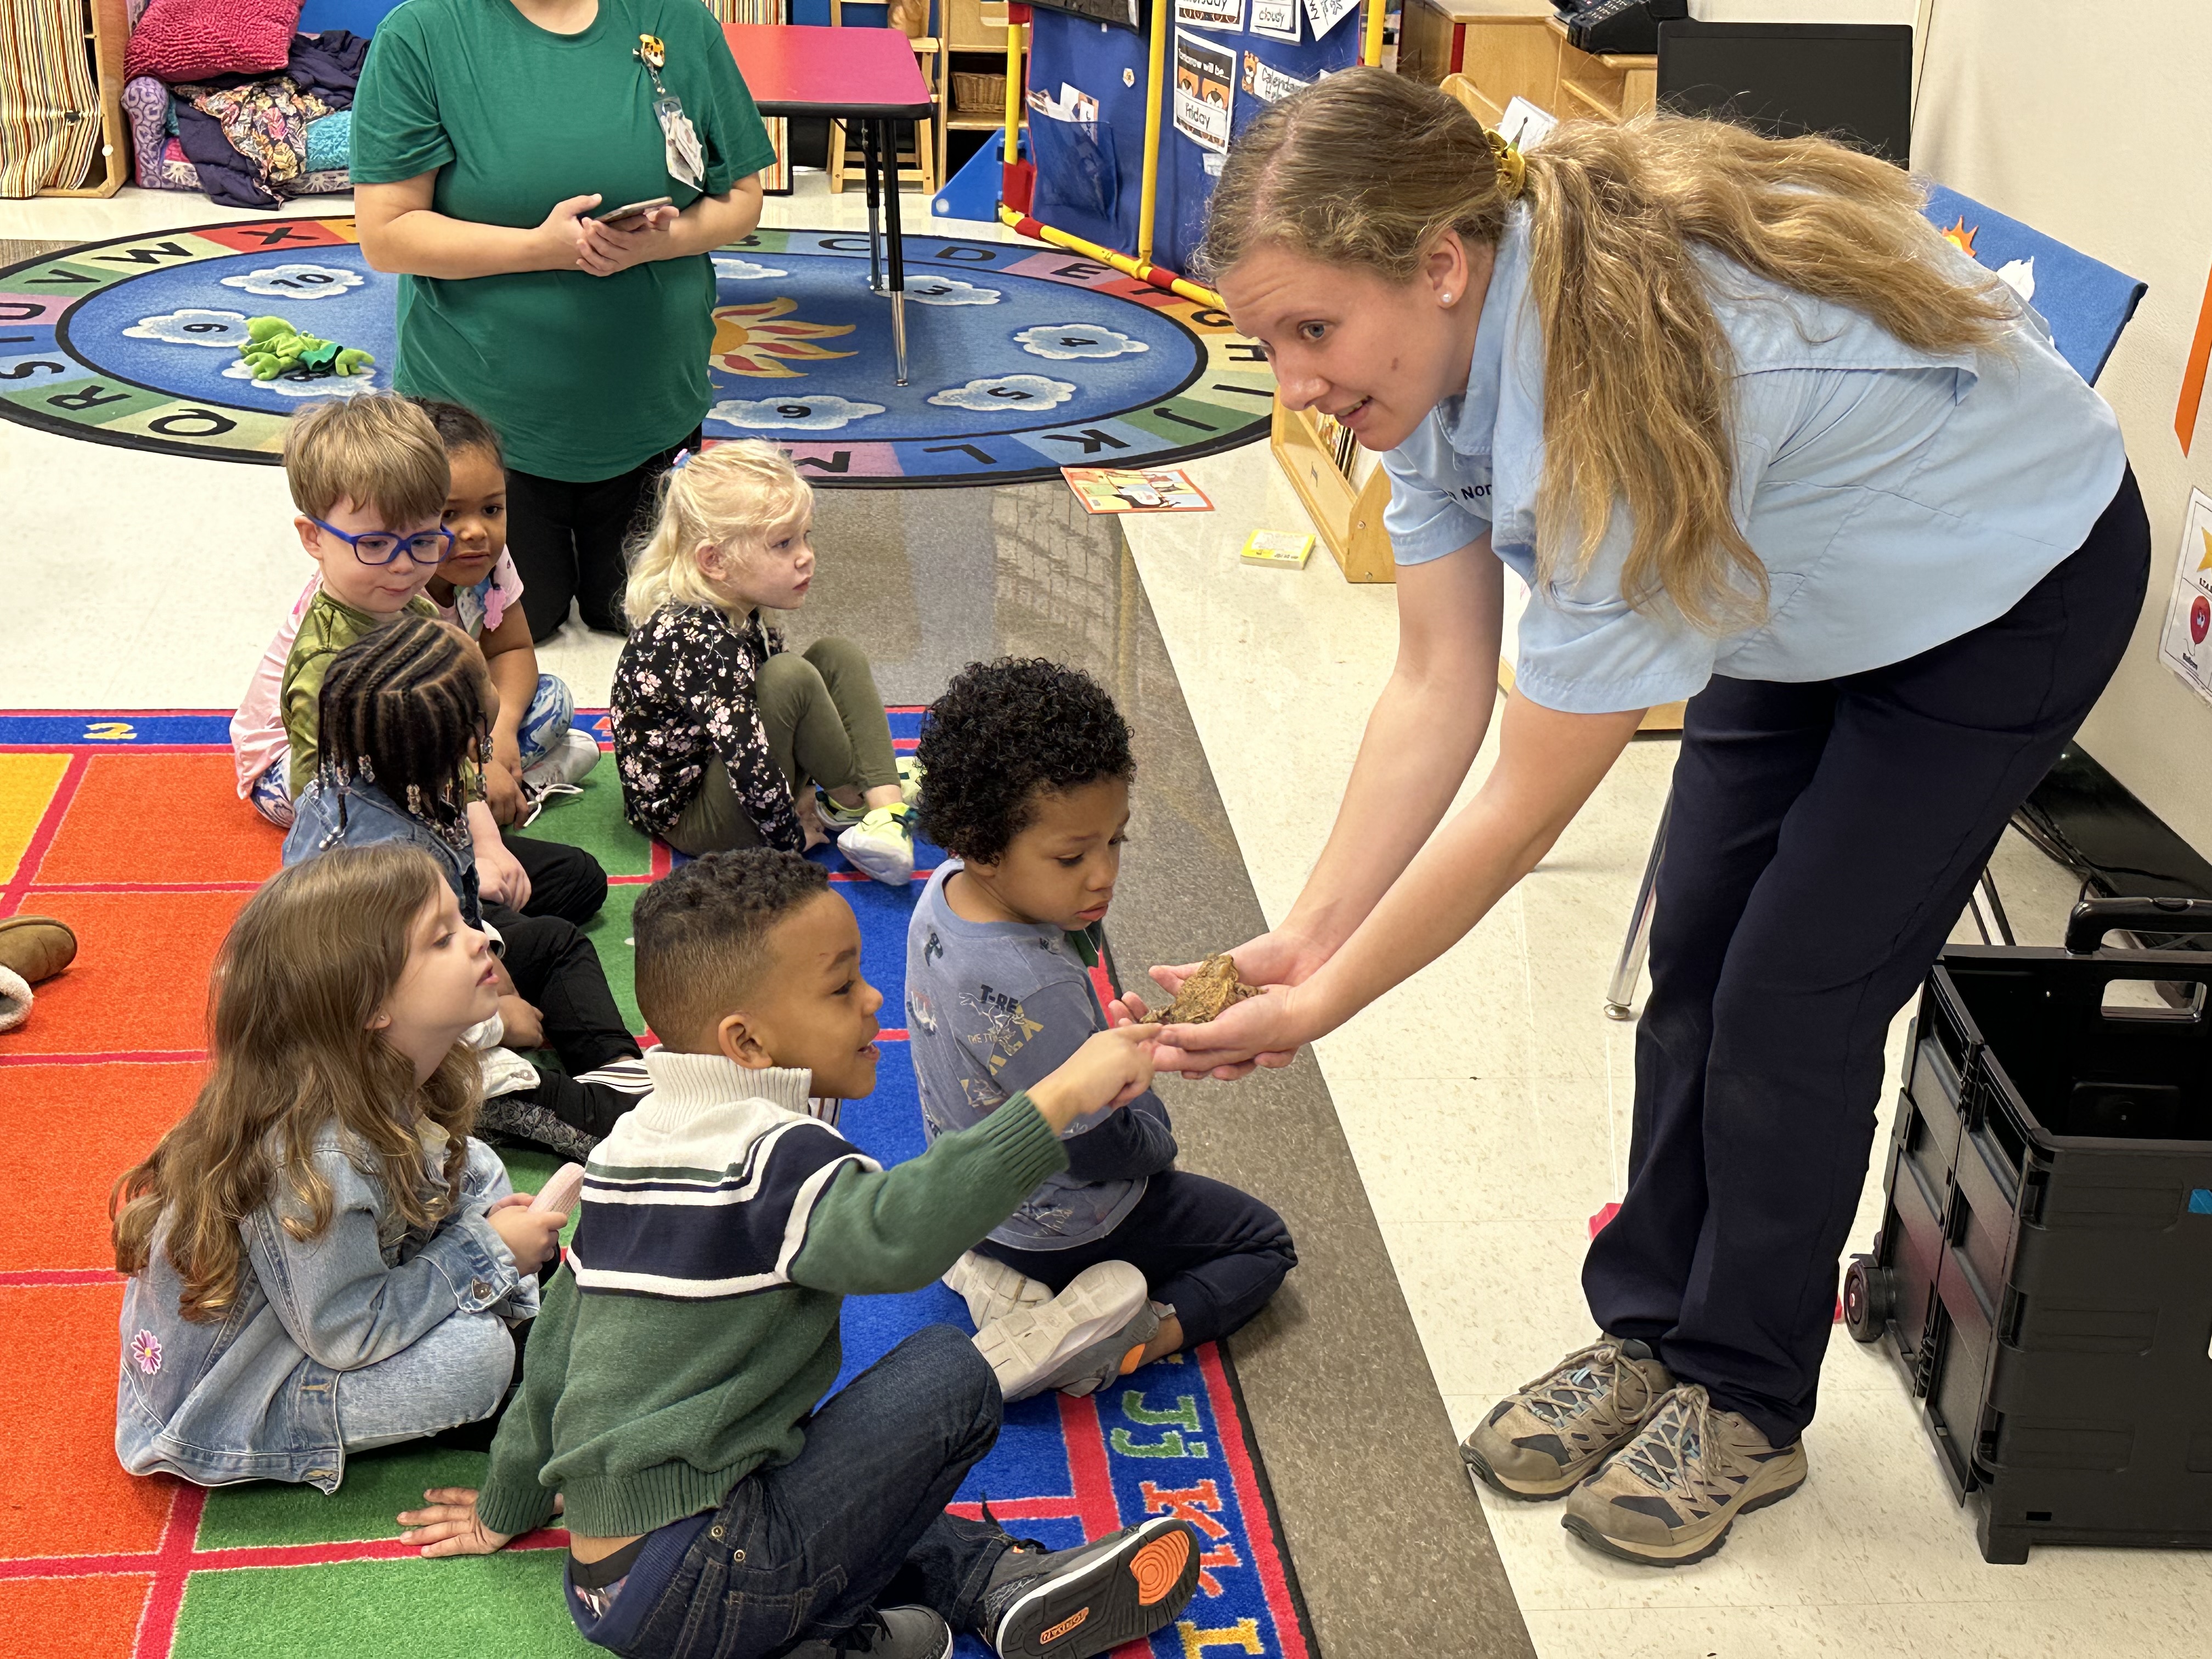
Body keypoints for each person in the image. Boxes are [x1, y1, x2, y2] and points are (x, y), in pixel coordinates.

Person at [1169, 70, 2151, 1567]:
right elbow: (1438, 681)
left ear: (1441, 262)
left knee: (1790, 997)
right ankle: (1653, 1336)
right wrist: (1307, 932)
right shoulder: (1426, 360)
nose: (1293, 382)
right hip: (1789, 574)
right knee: (1694, 953)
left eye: (1312, 333)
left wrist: (1324, 1005)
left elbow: (1518, 808)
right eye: (1269, 341)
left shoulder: (1608, 406)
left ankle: (1747, 1397)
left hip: (2001, 586)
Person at [388, 850, 1204, 1659]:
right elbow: (899, 1236)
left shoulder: (625, 1151)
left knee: (823, 1462)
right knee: (947, 1378)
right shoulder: (772, 1155)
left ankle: (991, 1582)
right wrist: (1061, 1095)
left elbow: (557, 1365)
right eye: (842, 986)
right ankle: (818, 1639)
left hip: (612, 1592)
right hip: (713, 1575)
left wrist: (506, 1506)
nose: (873, 999)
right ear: (746, 1043)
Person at [113, 845, 563, 1491]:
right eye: (442, 940)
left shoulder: (389, 1073)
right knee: (478, 1359)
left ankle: (517, 1324)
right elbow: (346, 1333)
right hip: (241, 1392)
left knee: (480, 1169)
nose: (480, 939)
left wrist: (487, 1252)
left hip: (315, 1310)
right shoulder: (319, 1159)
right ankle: (514, 1348)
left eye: (464, 922)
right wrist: (484, 1257)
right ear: (371, 1009)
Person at [907, 658, 1296, 1398]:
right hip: (1064, 1225)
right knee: (1261, 1244)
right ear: (983, 843)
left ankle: (1003, 1278)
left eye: (1115, 842)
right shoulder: (1039, 986)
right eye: (1071, 856)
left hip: (974, 1200)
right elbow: (1099, 1149)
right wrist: (1159, 1138)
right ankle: (1120, 1343)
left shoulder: (943, 894)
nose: (1103, 875)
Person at [351, 0, 777, 641]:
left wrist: (663, 241)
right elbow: (387, 234)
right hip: (485, 433)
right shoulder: (423, 33)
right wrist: (540, 250)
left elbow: (742, 199)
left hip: (650, 415)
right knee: (519, 623)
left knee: (640, 615)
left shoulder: (680, 22)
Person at [286, 616, 648, 1160]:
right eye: (486, 676)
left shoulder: (381, 777)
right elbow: (389, 1005)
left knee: (555, 934)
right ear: (467, 731)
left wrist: (487, 954)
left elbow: (461, 909)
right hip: (398, 1056)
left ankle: (617, 1071)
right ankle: (606, 1110)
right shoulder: (390, 870)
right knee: (612, 1128)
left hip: (432, 976)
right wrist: (496, 1023)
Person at [249, 396, 609, 926]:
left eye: (421, 542)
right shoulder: (327, 665)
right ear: (314, 538)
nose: (402, 567)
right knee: (526, 933)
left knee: (579, 880)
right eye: (374, 544)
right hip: (366, 856)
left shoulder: (415, 604)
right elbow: (329, 817)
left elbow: (456, 735)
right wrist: (451, 879)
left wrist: (486, 845)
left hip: (426, 802)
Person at [611, 441, 919, 884]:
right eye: (783, 543)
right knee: (790, 676)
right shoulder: (703, 641)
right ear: (714, 561)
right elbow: (749, 762)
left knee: (836, 654)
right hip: (693, 819)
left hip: (722, 772)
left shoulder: (738, 609)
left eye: (806, 536)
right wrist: (790, 837)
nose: (805, 555)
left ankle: (884, 809)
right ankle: (852, 799)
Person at [413, 397, 603, 820]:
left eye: (492, 509)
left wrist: (500, 733)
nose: (477, 531)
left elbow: (511, 650)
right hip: (331, 756)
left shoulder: (487, 563)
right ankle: (498, 794)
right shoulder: (389, 582)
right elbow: (396, 721)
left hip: (452, 722)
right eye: (449, 514)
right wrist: (478, 763)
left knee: (553, 699)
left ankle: (491, 794)